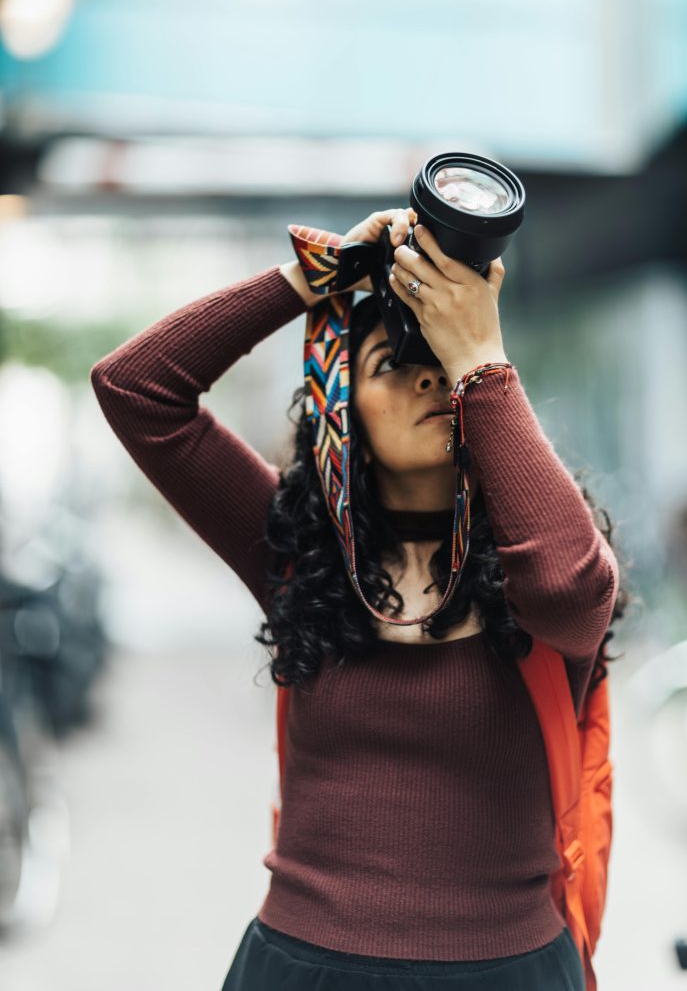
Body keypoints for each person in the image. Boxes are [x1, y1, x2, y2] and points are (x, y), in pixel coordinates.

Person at [90, 208, 629, 990]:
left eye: (437, 360)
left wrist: (477, 354)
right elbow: (136, 388)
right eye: (390, 364)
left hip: (506, 971)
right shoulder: (297, 552)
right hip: (299, 965)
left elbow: (570, 592)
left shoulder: (539, 550)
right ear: (340, 409)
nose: (425, 378)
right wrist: (310, 277)